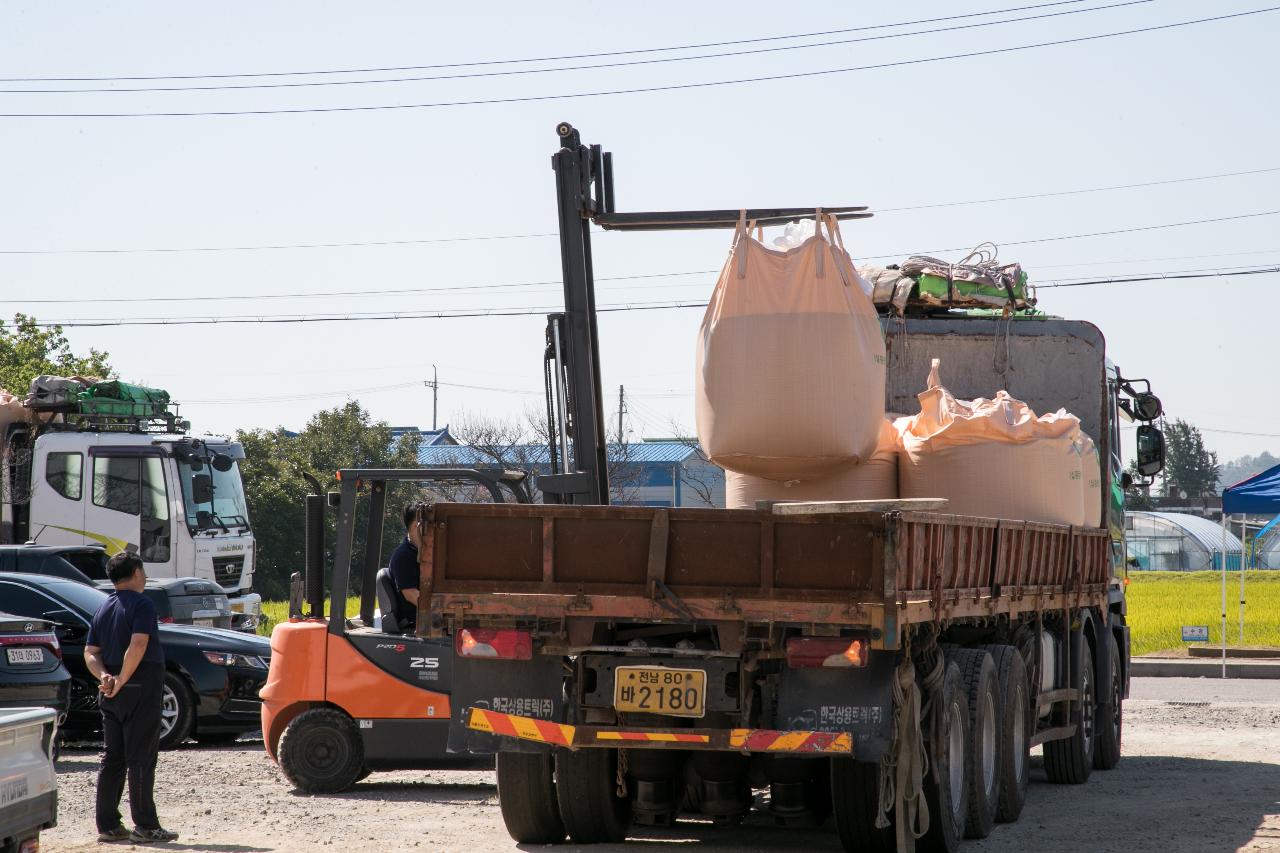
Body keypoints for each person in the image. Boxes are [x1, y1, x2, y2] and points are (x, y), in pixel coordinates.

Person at [83, 552, 179, 844]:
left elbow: (91, 652)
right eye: (143, 571)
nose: (146, 577)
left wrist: (105, 678)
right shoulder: (142, 604)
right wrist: (122, 679)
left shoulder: (103, 607)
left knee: (113, 757)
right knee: (141, 757)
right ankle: (145, 826)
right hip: (138, 685)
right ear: (136, 572)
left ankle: (108, 824)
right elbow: (138, 644)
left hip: (110, 691)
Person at [387, 503, 424, 632]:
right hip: (415, 622)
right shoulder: (403, 556)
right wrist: (443, 611)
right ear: (416, 526)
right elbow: (411, 594)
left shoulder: (427, 553)